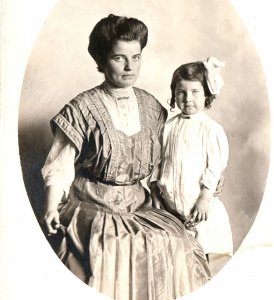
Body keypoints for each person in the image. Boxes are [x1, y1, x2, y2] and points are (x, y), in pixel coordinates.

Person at [41, 14, 211, 300]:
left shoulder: (153, 108)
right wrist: (49, 207)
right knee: (118, 245)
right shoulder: (80, 108)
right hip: (90, 204)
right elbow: (59, 167)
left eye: (137, 56)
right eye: (120, 58)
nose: (130, 66)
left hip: (137, 203)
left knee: (176, 241)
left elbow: (172, 160)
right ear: (101, 61)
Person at [151, 58, 233, 276]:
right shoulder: (168, 127)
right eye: (181, 92)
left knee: (202, 262)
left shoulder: (210, 129)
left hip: (198, 208)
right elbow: (159, 161)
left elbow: (214, 167)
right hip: (170, 207)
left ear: (206, 93)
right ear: (174, 94)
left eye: (195, 92)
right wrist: (155, 190)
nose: (187, 99)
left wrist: (205, 198)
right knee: (177, 264)